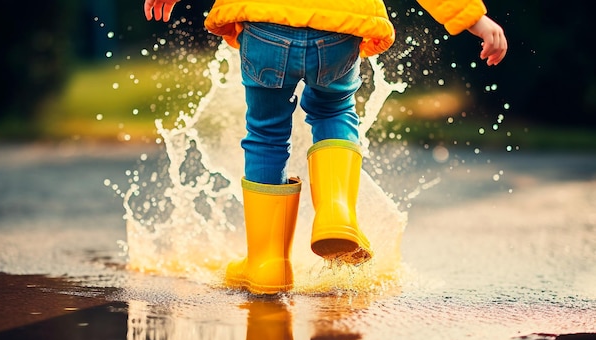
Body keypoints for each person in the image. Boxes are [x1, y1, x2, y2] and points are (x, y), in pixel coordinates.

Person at [144, 0, 508, 294]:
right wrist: (473, 18)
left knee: (266, 133)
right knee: (334, 111)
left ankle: (268, 263)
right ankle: (336, 215)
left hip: (266, 23)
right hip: (339, 24)